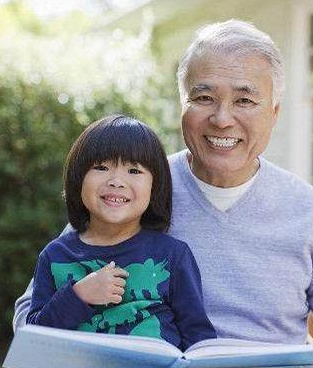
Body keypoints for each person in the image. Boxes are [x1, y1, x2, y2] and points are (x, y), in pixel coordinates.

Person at [14, 20, 313, 363]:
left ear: (274, 112)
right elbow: (31, 320)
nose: (222, 118)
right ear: (182, 107)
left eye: (244, 100)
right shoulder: (133, 192)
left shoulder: (311, 212)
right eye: (203, 97)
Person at [25, 115, 216, 350]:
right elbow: (32, 342)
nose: (117, 181)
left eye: (134, 170)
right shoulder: (55, 256)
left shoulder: (173, 256)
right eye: (101, 167)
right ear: (78, 180)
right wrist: (78, 296)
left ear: (155, 186)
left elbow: (198, 337)